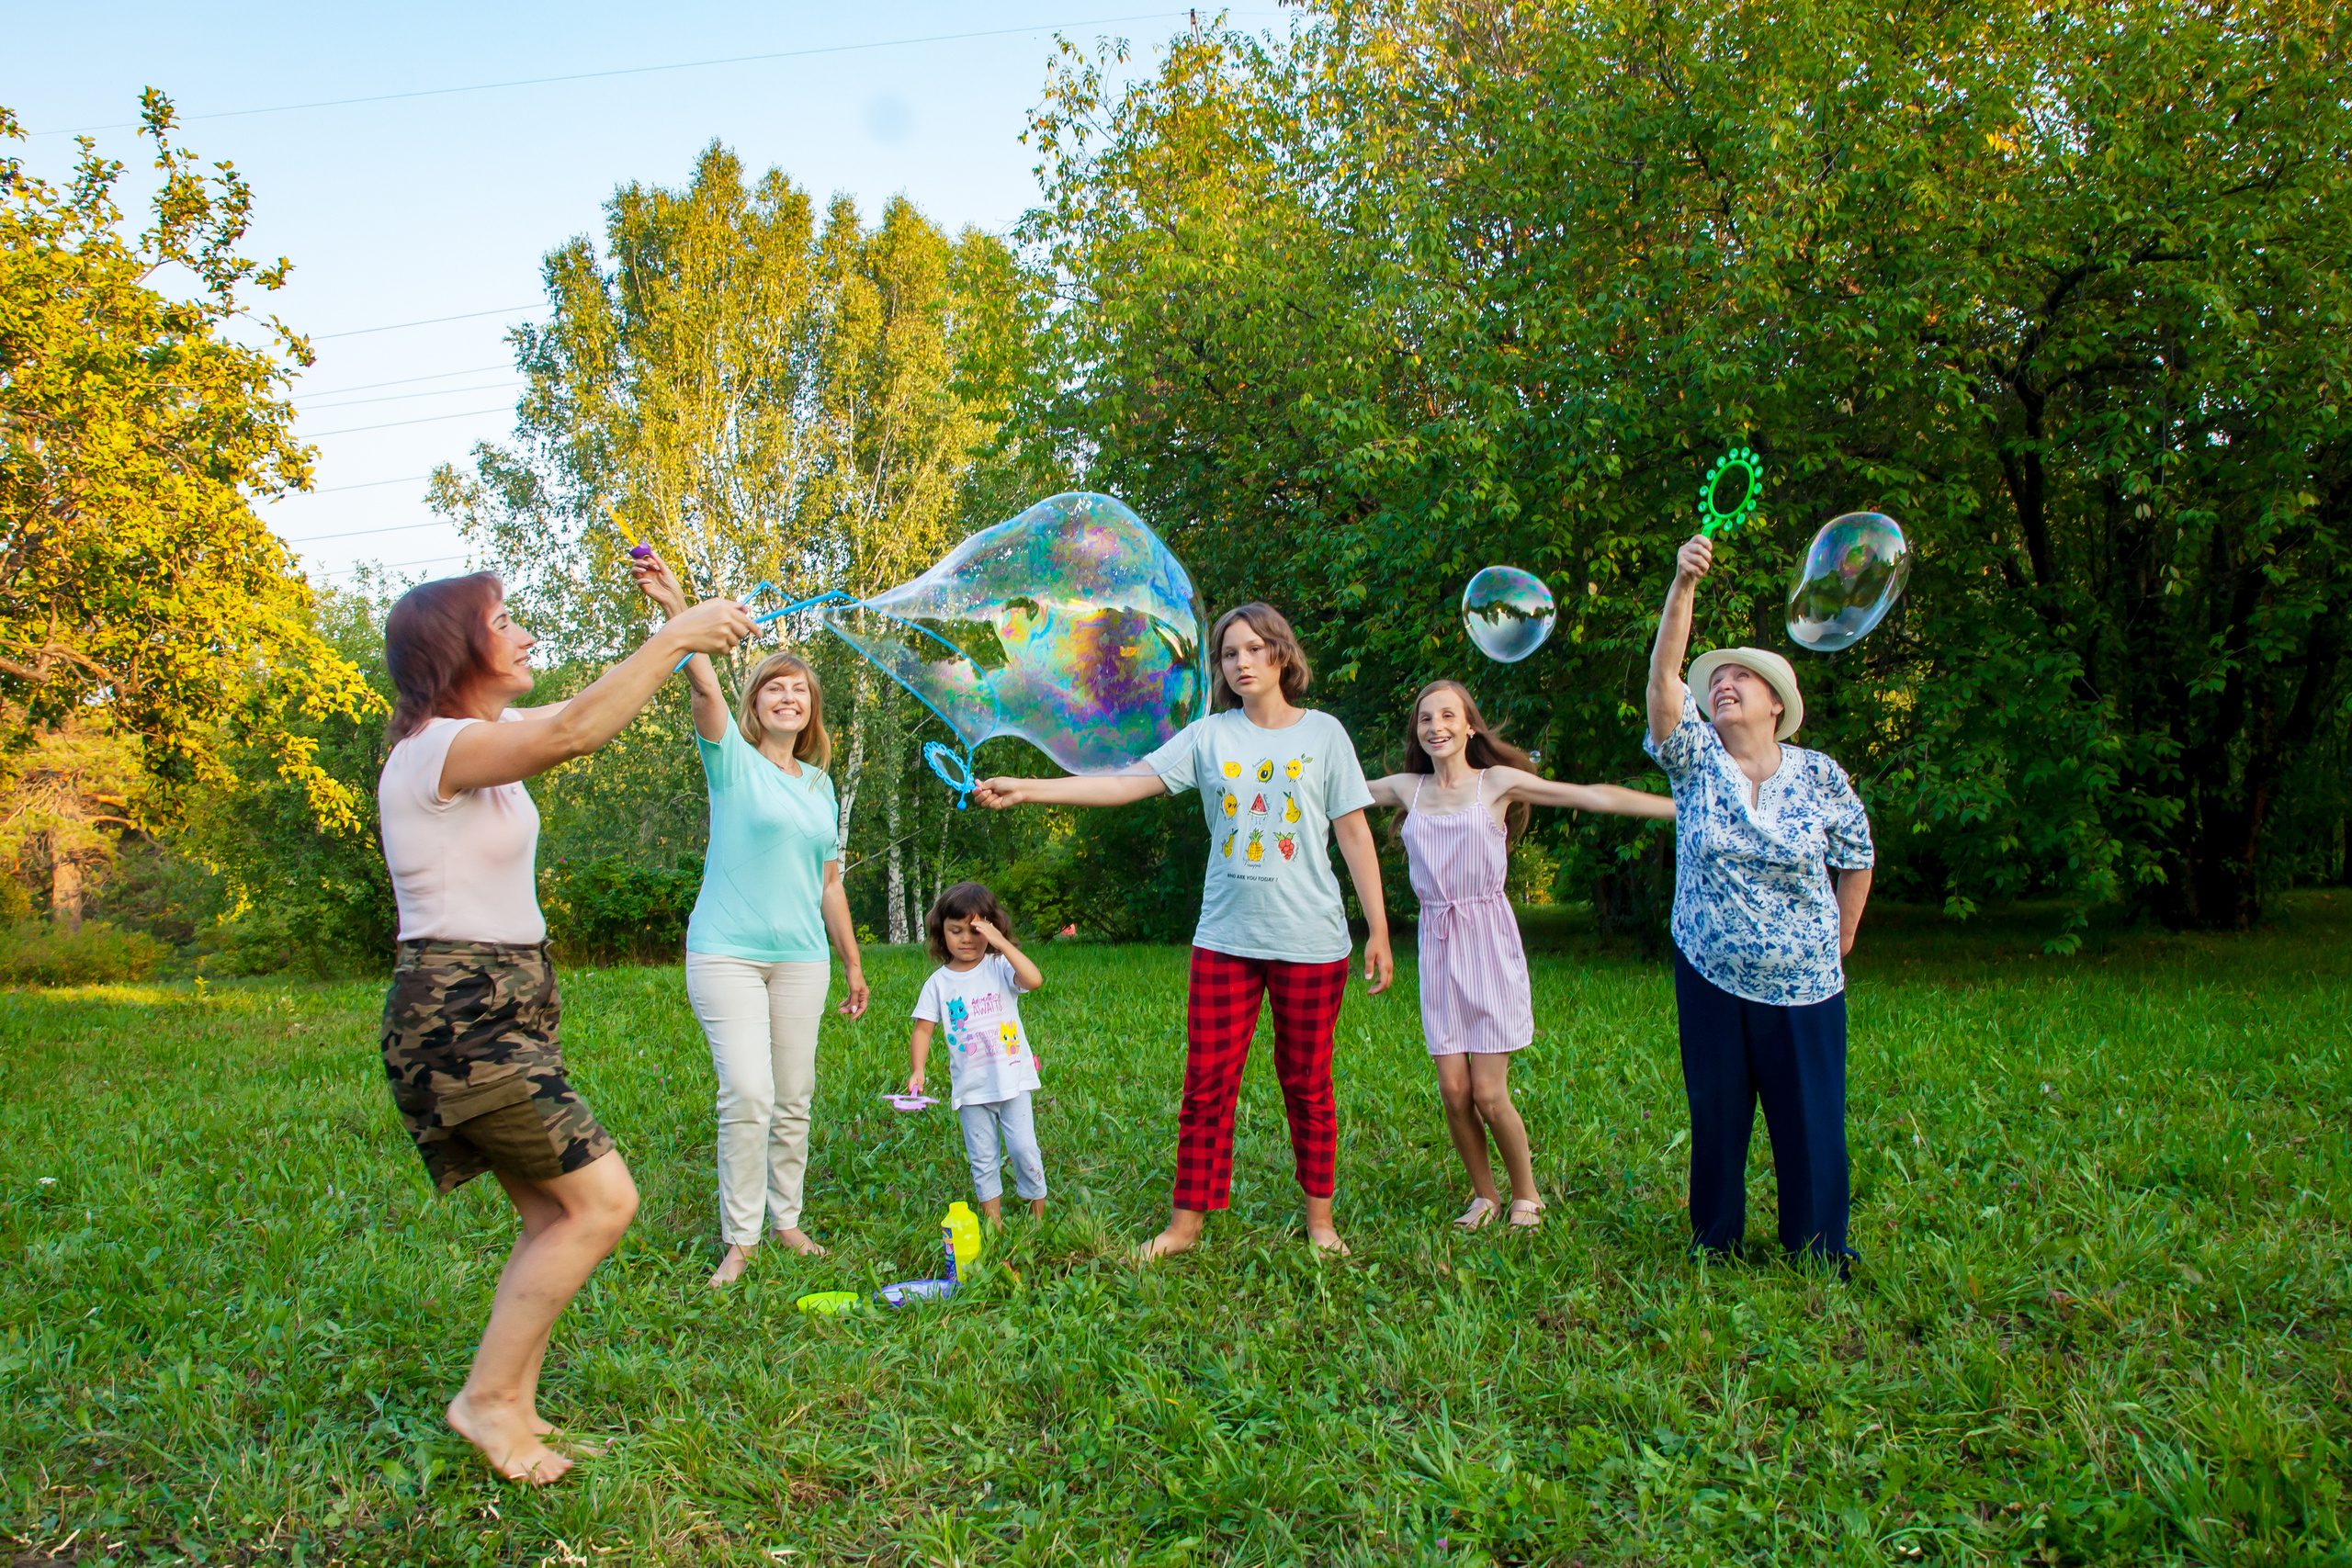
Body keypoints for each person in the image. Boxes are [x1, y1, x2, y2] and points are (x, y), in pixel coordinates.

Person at [377, 570, 752, 1484]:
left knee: (552, 1213)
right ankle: (485, 1402)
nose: (525, 635)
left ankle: (517, 1407)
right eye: (504, 623)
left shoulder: (484, 735)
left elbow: (584, 708)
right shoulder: (434, 750)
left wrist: (680, 619)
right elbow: (577, 731)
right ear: (456, 651)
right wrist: (676, 641)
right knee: (603, 1203)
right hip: (459, 1011)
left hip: (502, 1002)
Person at [974, 602, 1392, 1258]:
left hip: (1312, 942)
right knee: (1206, 1085)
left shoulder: (1325, 735)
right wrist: (1029, 788)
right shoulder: (1208, 736)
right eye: (1230, 653)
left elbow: (1353, 831)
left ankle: (1320, 1222)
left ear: (1282, 655)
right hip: (1225, 939)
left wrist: (1379, 928)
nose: (1242, 661)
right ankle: (1185, 1224)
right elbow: (1125, 783)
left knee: (1307, 1082)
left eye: (1255, 648)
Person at [629, 554, 870, 1288]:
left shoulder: (824, 785)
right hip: (727, 952)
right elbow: (701, 678)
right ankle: (742, 1237)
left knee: (794, 1093)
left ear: (812, 709)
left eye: (799, 689)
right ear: (756, 702)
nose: (787, 696)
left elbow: (829, 883)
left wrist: (854, 962)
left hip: (803, 959)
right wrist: (678, 605)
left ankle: (786, 1219)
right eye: (774, 686)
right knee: (750, 1091)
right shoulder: (728, 758)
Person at [1364, 679, 1675, 1231]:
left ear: (1470, 726)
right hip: (1438, 947)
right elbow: (1331, 793)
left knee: (1487, 1091)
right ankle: (1484, 1197)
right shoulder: (1406, 789)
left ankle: (1526, 1194)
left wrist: (1678, 808)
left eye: (1447, 716)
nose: (1435, 727)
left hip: (1488, 943)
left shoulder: (1497, 783)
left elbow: (1590, 795)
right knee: (1454, 1091)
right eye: (1425, 719)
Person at [1645, 533, 1874, 1272]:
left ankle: (1819, 1249)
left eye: (1742, 677)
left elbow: (1858, 854)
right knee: (1717, 1114)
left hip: (1806, 984)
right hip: (1710, 973)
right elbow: (1664, 680)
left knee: (1810, 1121)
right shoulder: (1696, 760)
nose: (1725, 685)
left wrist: (1841, 937)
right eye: (1719, 680)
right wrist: (1683, 586)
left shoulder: (1818, 774)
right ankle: (1715, 1240)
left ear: (1777, 704)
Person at [905, 882, 1049, 1223]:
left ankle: (1038, 1218)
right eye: (955, 931)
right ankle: (993, 1224)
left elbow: (1034, 980)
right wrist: (918, 1069)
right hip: (971, 1088)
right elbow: (923, 1029)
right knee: (983, 1159)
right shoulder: (938, 983)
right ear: (941, 932)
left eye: (975, 931)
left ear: (992, 928)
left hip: (1012, 1081)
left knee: (1024, 1149)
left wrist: (1001, 944)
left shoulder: (998, 966)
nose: (966, 939)